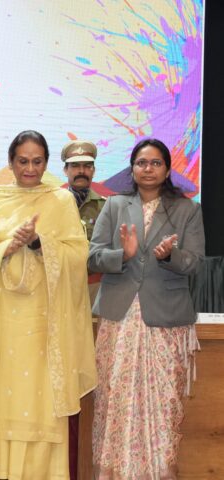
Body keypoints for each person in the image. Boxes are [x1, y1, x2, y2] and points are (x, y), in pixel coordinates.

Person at [0, 130, 97, 480]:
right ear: (10, 162)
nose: (30, 169)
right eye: (22, 161)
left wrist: (37, 242)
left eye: (37, 161)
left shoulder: (59, 201)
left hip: (43, 322)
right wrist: (6, 247)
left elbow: (77, 255)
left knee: (37, 401)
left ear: (47, 164)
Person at [89, 138, 204, 479]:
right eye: (141, 163)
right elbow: (92, 256)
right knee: (118, 400)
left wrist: (170, 256)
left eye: (156, 163)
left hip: (165, 319)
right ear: (132, 169)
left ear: (167, 170)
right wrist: (122, 255)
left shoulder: (187, 209)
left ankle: (160, 472)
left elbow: (195, 263)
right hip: (119, 318)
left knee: (161, 404)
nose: (148, 169)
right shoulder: (114, 205)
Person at [61, 140, 107, 310]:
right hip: (60, 284)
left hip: (94, 286)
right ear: (65, 170)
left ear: (93, 170)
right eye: (75, 166)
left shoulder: (105, 207)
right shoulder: (54, 205)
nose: (81, 171)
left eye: (87, 166)